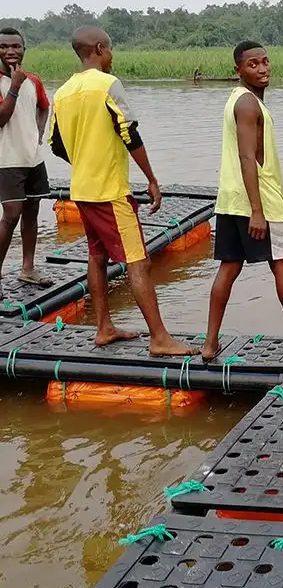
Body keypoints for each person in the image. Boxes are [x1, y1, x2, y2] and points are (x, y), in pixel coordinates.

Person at [49, 26, 198, 357]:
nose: (112, 56)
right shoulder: (106, 84)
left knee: (97, 255)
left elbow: (56, 145)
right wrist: (152, 178)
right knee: (138, 260)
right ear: (100, 49)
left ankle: (104, 327)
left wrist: (84, 158)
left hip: (82, 189)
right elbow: (129, 133)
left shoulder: (63, 92)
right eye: (110, 50)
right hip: (109, 191)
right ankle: (159, 338)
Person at [202, 42, 283, 361]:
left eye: (266, 61)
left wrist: (278, 186)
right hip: (257, 205)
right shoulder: (248, 105)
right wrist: (258, 209)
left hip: (231, 199)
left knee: (228, 268)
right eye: (253, 64)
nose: (262, 68)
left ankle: (210, 344)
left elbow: (256, 155)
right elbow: (246, 156)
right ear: (238, 70)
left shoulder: (239, 101)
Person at [0, 27, 52, 299]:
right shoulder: (13, 81)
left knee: (32, 209)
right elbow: (1, 118)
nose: (10, 51)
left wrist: (40, 131)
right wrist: (15, 85)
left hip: (33, 157)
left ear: (24, 49)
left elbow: (44, 106)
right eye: (4, 47)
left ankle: (28, 268)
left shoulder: (34, 80)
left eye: (16, 47)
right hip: (6, 160)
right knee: (11, 215)